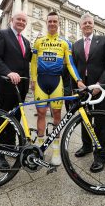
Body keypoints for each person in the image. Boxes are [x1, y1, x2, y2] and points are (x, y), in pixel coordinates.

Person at [31, 11, 84, 166]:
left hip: (56, 82)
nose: (52, 24)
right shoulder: (39, 41)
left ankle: (55, 151)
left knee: (56, 116)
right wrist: (33, 80)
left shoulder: (65, 43)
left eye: (55, 21)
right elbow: (33, 62)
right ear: (46, 23)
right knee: (41, 114)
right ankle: (41, 150)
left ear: (58, 23)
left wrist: (78, 80)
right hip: (41, 81)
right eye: (50, 21)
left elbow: (70, 64)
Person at [72, 12, 105, 173]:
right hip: (84, 89)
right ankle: (87, 146)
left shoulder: (104, 40)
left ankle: (102, 155)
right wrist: (77, 84)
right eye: (84, 23)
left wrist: (100, 84)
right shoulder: (76, 45)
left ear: (93, 24)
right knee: (85, 119)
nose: (87, 25)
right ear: (81, 26)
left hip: (100, 88)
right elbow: (74, 67)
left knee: (102, 122)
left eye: (90, 23)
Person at [0, 12, 31, 170]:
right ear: (11, 21)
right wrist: (8, 72)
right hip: (7, 86)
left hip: (21, 88)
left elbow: (26, 64)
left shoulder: (26, 42)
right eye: (18, 19)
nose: (21, 22)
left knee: (16, 119)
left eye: (24, 20)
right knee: (2, 120)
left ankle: (9, 146)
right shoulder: (2, 34)